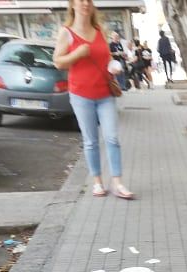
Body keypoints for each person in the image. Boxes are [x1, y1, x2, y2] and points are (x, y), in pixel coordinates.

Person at [53, 0, 134, 199]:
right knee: (91, 141)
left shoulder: (99, 30)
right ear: (72, 6)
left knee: (112, 138)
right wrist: (77, 54)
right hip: (81, 94)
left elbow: (105, 59)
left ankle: (117, 182)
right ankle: (97, 182)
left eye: (88, 1)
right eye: (80, 1)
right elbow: (58, 62)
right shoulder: (67, 32)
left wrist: (113, 66)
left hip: (105, 93)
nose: (84, 4)